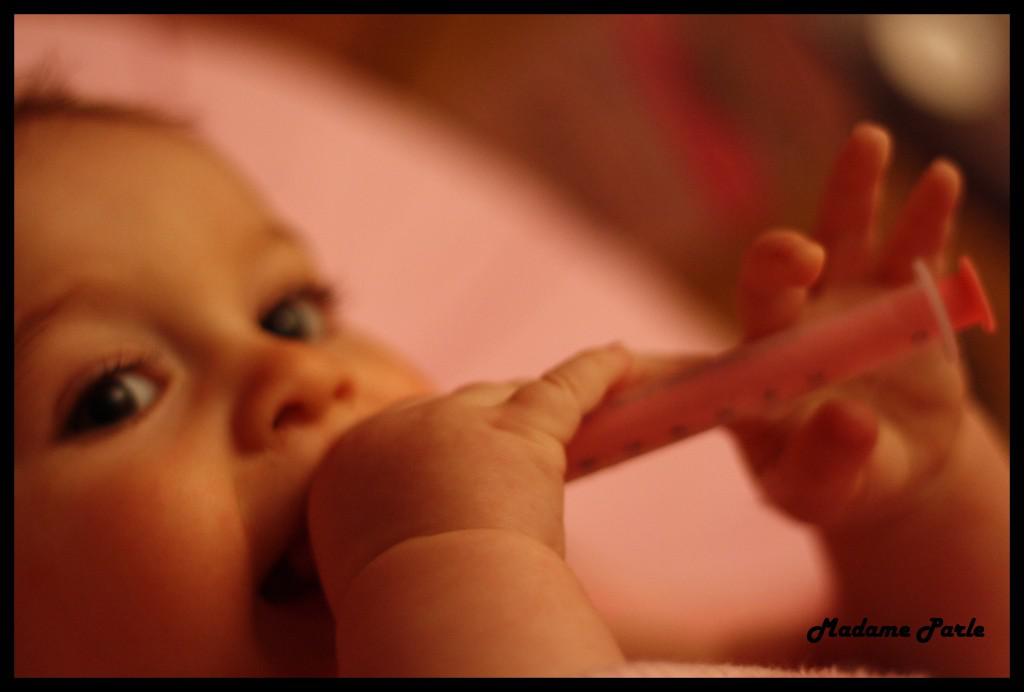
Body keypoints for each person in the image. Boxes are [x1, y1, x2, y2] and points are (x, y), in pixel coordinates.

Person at [13, 87, 1008, 677]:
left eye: (292, 311)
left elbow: (928, 658)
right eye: (113, 396)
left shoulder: (554, 600)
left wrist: (912, 519)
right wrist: (455, 560)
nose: (295, 372)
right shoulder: (472, 576)